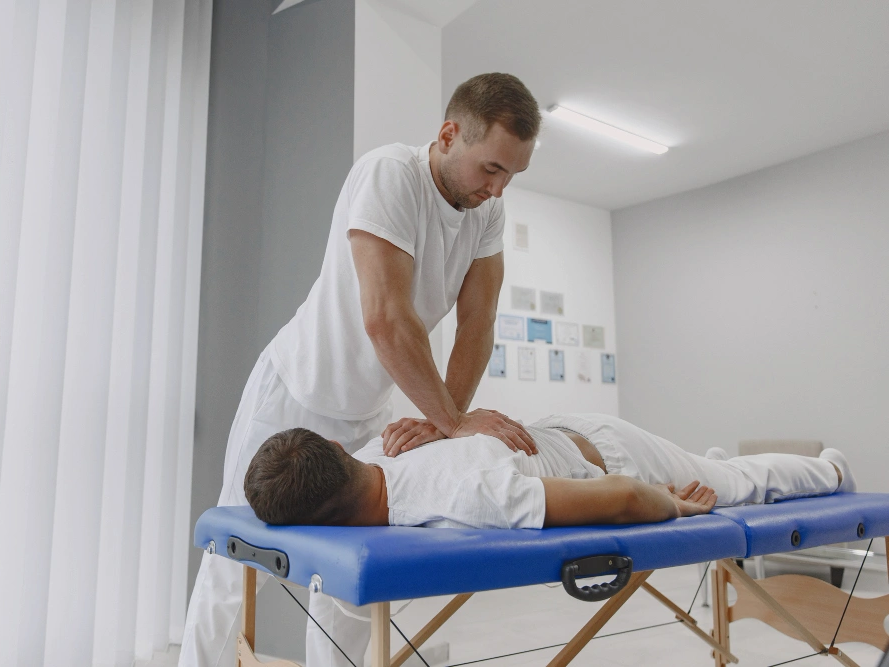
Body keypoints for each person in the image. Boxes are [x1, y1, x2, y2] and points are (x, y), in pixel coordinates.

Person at [180, 73, 544, 667]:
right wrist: (452, 421)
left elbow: (478, 326)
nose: (498, 190)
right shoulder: (390, 175)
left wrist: (441, 420)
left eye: (511, 175)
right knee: (236, 561)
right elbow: (387, 320)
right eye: (491, 169)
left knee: (350, 577)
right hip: (295, 393)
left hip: (369, 411)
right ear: (449, 134)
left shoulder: (486, 216)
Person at [244, 413, 855, 529]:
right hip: (572, 443)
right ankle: (705, 468)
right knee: (708, 476)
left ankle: (829, 469)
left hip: (612, 453)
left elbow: (624, 500)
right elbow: (623, 500)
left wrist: (676, 505)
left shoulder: (463, 494)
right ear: (334, 446)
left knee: (740, 489)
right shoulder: (374, 456)